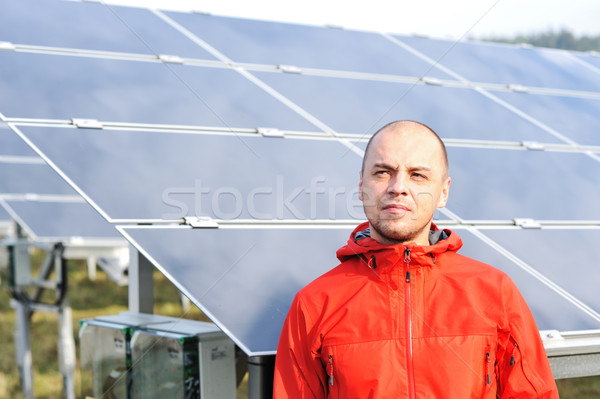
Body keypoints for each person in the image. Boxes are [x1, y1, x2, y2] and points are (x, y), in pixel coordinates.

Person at [273, 120, 558, 398]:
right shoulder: (313, 304)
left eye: (417, 175)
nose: (398, 187)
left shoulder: (494, 292)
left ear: (443, 192)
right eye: (383, 172)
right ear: (361, 187)